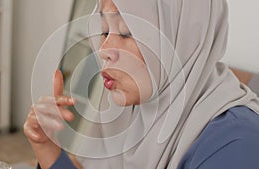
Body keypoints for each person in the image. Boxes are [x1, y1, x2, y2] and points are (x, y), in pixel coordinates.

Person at [23, 0, 259, 168]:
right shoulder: (131, 110)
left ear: (183, 40)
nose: (103, 50)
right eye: (104, 31)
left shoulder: (235, 143)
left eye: (127, 33)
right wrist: (47, 147)